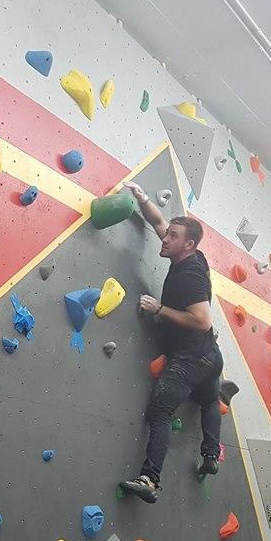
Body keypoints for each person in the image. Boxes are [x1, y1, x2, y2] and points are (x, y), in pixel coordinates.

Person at [118, 182, 224, 504]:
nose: (164, 239)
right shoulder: (189, 256)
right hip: (210, 356)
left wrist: (160, 309)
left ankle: (150, 479)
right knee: (208, 399)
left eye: (172, 238)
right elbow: (159, 222)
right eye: (167, 236)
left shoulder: (190, 274)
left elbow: (203, 319)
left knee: (160, 409)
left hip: (191, 356)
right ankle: (210, 455)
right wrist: (143, 198)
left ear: (188, 245)